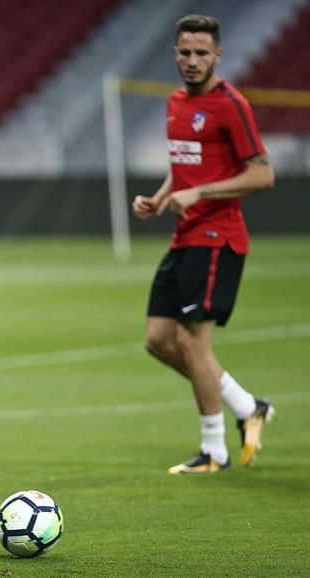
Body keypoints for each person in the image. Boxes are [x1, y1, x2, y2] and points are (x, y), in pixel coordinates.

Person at [132, 14, 276, 475]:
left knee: (193, 343)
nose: (191, 61)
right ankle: (247, 405)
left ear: (218, 56)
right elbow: (187, 162)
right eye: (184, 52)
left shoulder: (230, 104)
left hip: (218, 238)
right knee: (158, 340)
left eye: (200, 53)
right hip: (184, 236)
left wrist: (200, 193)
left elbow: (262, 173)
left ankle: (214, 450)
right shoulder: (175, 102)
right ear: (175, 53)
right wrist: (160, 199)